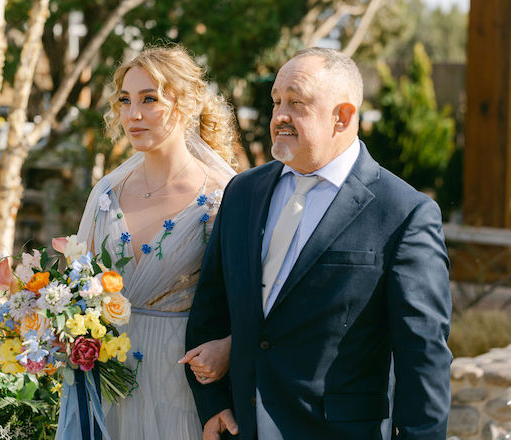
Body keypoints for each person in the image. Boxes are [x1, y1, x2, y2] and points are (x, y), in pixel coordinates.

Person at [185, 47, 452, 440]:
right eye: (277, 102)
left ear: (342, 116)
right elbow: (211, 306)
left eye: (297, 103)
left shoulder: (404, 214)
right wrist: (214, 404)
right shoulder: (243, 191)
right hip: (242, 425)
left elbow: (424, 357)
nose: (279, 117)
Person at [56, 45, 238, 440]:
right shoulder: (106, 192)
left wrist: (229, 346)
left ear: (186, 103)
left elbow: (249, 300)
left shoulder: (223, 197)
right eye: (125, 100)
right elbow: (76, 287)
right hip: (104, 375)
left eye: (149, 99)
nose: (132, 114)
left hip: (179, 381)